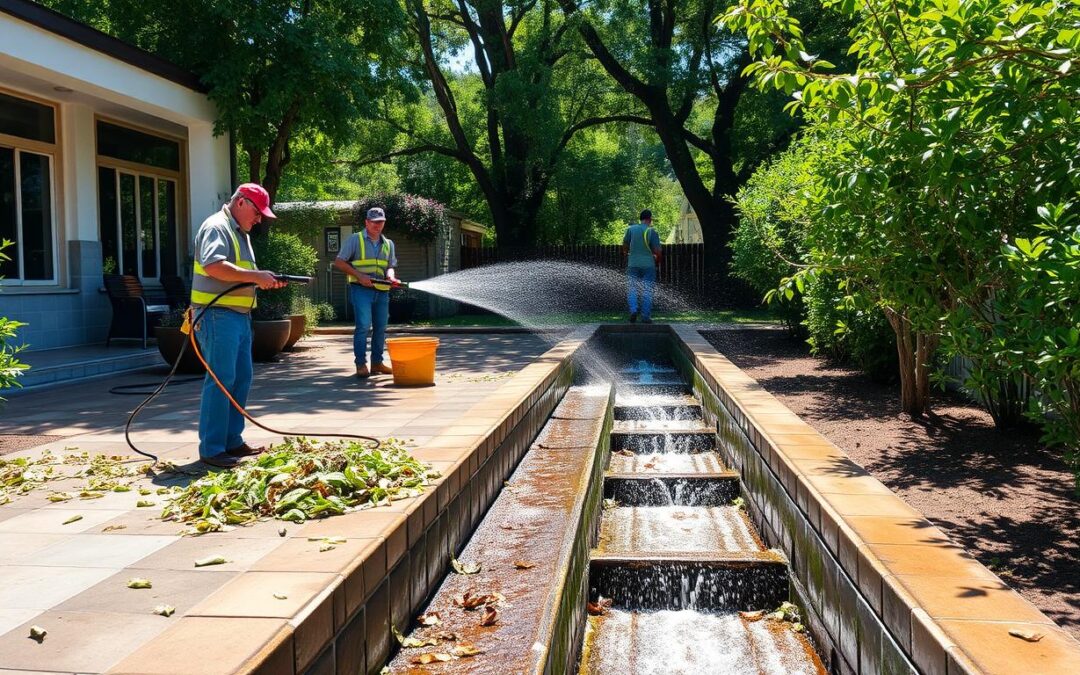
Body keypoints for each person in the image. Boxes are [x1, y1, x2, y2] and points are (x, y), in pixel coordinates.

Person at [191, 183, 285, 468]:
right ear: (241, 202)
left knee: (241, 378)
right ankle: (212, 448)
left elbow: (240, 274)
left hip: (238, 317)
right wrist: (257, 276)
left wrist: (263, 279)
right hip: (217, 316)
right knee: (221, 380)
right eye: (257, 213)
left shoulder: (239, 232)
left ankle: (232, 440)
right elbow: (214, 266)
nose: (258, 220)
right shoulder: (217, 226)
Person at [333, 207, 399, 378]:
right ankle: (361, 364)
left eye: (381, 222)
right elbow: (339, 262)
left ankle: (377, 363)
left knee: (381, 327)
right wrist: (359, 275)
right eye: (374, 222)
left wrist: (391, 276)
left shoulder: (388, 244)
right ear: (367, 222)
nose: (378, 225)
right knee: (363, 326)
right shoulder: (355, 239)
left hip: (382, 290)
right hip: (361, 289)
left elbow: (390, 266)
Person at [622, 209, 662, 323]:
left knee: (632, 289)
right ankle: (645, 316)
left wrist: (626, 254)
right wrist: (658, 262)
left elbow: (625, 245)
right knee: (647, 290)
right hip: (648, 265)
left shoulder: (631, 229)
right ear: (649, 219)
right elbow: (658, 252)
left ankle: (633, 310)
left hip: (633, 264)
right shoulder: (652, 231)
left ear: (641, 219)